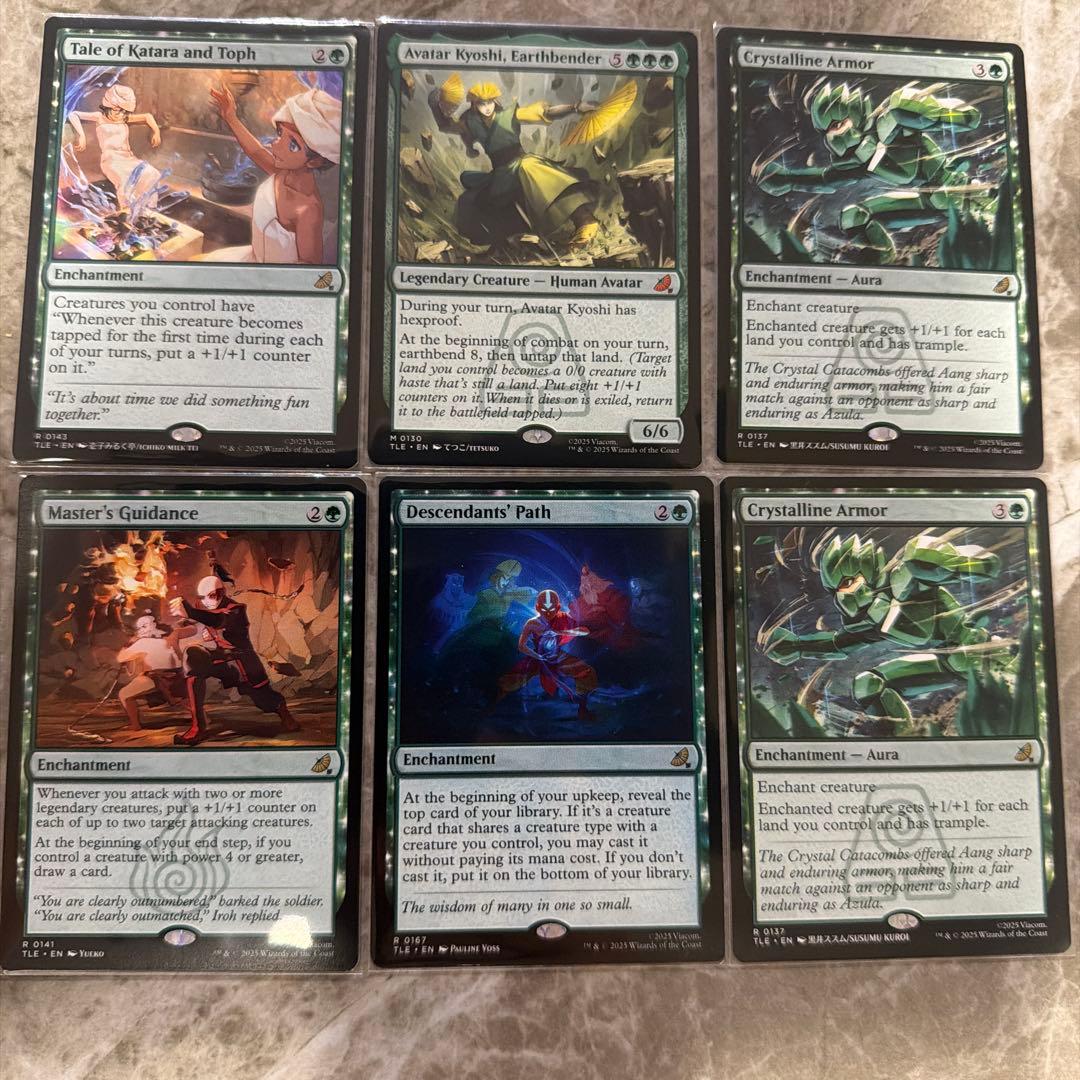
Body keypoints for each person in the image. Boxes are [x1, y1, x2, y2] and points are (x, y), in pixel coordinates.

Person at [431, 80, 600, 249]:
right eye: (482, 103)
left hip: (521, 161)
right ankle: (511, 242)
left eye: (490, 102)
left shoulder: (509, 115)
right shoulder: (470, 122)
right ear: (474, 104)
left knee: (531, 168)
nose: (487, 107)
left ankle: (586, 221)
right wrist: (435, 106)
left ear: (495, 101)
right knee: (472, 200)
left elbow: (546, 112)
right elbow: (447, 126)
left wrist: (575, 107)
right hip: (501, 174)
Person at [204, 83, 340, 263]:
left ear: (315, 160)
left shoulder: (308, 209)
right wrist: (231, 117)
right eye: (280, 133)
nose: (276, 144)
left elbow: (309, 266)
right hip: (251, 259)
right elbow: (256, 151)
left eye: (293, 144)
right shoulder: (283, 173)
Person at [168, 575, 299, 746]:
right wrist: (182, 630)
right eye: (202, 598)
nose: (206, 602)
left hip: (243, 664)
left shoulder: (237, 610)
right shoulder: (206, 607)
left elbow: (219, 619)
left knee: (265, 701)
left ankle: (283, 711)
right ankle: (198, 727)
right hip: (223, 661)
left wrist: (191, 612)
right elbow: (205, 620)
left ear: (221, 593)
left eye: (211, 596)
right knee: (193, 655)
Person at [497, 589, 597, 719]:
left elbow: (585, 631)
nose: (548, 613)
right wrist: (537, 656)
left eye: (552, 610)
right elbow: (521, 646)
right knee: (509, 680)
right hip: (537, 657)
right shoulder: (532, 623)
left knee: (586, 672)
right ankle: (491, 707)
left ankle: (583, 709)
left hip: (557, 656)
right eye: (544, 610)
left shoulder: (563, 618)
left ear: (558, 608)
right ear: (537, 607)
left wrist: (560, 632)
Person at [66, 84, 162, 211]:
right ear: (109, 106)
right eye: (118, 110)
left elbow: (147, 116)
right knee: (124, 180)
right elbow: (73, 115)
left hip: (129, 158)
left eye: (124, 111)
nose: (121, 114)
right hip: (111, 160)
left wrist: (156, 131)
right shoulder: (99, 117)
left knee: (152, 173)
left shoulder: (123, 119)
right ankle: (126, 210)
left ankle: (147, 208)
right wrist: (81, 135)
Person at [115, 615, 187, 730]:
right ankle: (203, 718)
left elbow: (120, 658)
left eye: (143, 627)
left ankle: (135, 725)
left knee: (124, 694)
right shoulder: (169, 640)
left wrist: (128, 644)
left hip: (158, 678)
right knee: (184, 700)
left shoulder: (143, 642)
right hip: (177, 676)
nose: (140, 630)